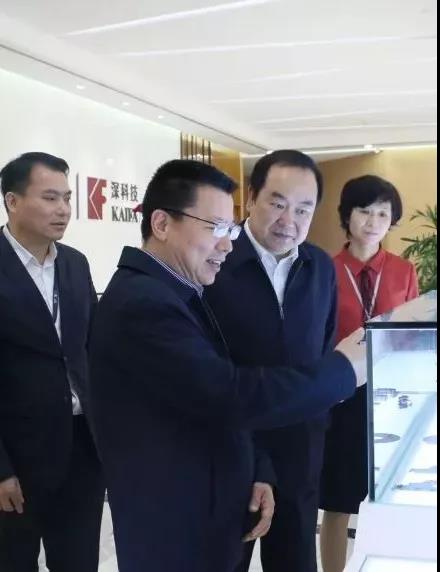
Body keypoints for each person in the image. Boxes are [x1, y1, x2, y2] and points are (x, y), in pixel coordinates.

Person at [89, 159, 367, 572]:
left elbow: (212, 399)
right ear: (162, 224)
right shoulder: (144, 305)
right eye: (215, 228)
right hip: (176, 524)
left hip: (234, 490)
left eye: (229, 230)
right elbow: (230, 393)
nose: (226, 245)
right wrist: (346, 368)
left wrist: (256, 467)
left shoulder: (177, 290)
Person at [205, 149, 337, 572]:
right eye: (278, 204)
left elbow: (322, 352)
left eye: (303, 209)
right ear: (251, 198)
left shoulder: (320, 267)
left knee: (296, 561)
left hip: (300, 452)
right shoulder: (215, 261)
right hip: (231, 452)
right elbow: (207, 370)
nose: (289, 220)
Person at [0, 152, 104, 572]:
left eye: (67, 198)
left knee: (79, 561)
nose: (63, 209)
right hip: (17, 457)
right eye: (49, 198)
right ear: (12, 201)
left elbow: (91, 351)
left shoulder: (75, 264)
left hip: (82, 449)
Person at [319, 175, 419, 572]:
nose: (374, 221)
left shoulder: (403, 271)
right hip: (341, 398)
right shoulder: (324, 271)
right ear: (347, 215)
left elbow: (415, 333)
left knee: (390, 499)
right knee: (337, 501)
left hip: (393, 398)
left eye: (383, 213)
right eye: (365, 211)